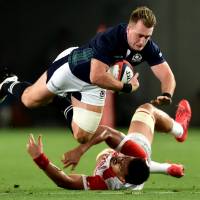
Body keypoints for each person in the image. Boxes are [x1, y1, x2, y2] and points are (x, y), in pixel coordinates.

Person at [0, 6, 175, 144]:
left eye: (147, 36)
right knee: (29, 100)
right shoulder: (109, 38)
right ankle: (8, 82)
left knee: (82, 136)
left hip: (95, 84)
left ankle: (62, 101)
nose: (143, 41)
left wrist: (167, 93)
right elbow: (96, 76)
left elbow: (166, 74)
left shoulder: (148, 47)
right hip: (71, 70)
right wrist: (127, 87)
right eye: (139, 35)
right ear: (129, 29)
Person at [27, 99, 191, 190]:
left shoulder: (106, 182)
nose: (118, 158)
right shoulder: (136, 154)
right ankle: (179, 130)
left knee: (104, 154)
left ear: (120, 177)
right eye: (124, 158)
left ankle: (167, 168)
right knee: (147, 109)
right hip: (141, 155)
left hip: (133, 178)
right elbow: (106, 132)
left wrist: (40, 159)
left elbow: (65, 181)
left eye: (120, 163)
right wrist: (80, 150)